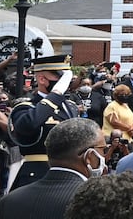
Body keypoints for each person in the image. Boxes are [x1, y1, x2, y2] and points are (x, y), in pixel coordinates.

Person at [9, 55, 82, 191]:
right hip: (38, 174)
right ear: (42, 79)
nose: (65, 83)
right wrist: (55, 94)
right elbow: (28, 125)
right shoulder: (25, 107)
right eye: (60, 78)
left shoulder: (70, 106)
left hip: (69, 172)